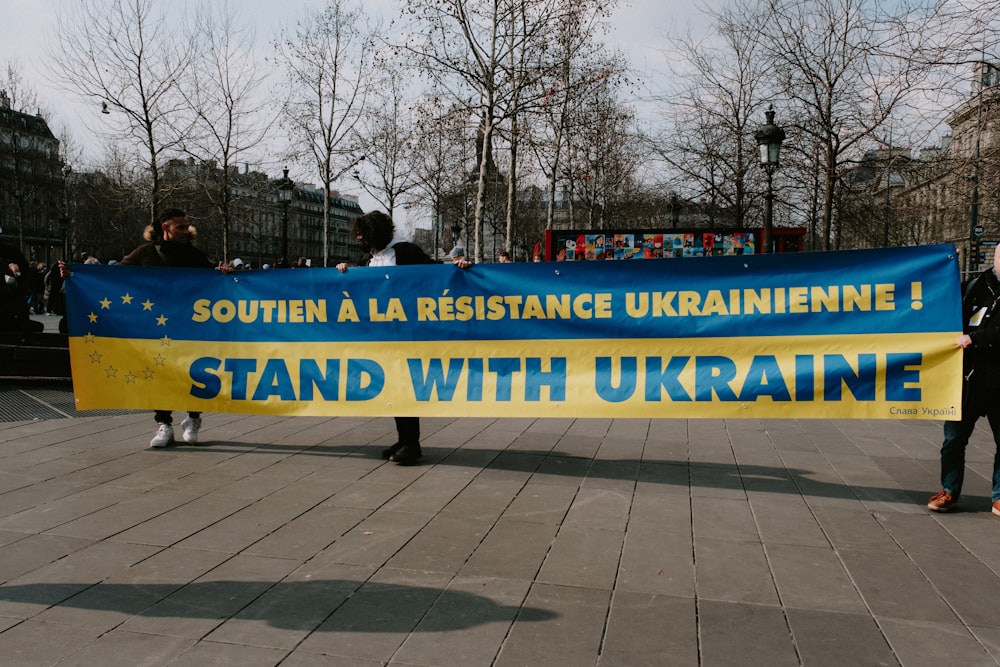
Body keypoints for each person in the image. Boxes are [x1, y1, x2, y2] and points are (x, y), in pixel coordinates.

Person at [63, 208, 234, 449]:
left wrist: (225, 274)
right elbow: (111, 276)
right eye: (181, 227)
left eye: (187, 226)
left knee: (193, 371)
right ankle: (164, 424)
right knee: (161, 371)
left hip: (190, 326)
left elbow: (215, 281)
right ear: (166, 228)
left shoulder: (195, 255)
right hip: (158, 328)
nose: (187, 231)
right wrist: (76, 275)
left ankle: (193, 418)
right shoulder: (145, 253)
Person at [337, 211, 470, 465]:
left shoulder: (406, 252)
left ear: (375, 234)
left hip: (408, 333)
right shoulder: (371, 258)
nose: (359, 239)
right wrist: (345, 271)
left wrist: (460, 267)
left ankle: (412, 443)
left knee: (405, 385)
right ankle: (404, 439)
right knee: (394, 386)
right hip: (383, 335)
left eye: (362, 234)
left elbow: (434, 273)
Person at [928, 243, 1000, 515]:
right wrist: (944, 267)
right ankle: (949, 490)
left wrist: (976, 338)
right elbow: (940, 301)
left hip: (998, 381)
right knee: (953, 441)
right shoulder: (975, 287)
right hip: (968, 382)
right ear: (994, 258)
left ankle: (999, 496)